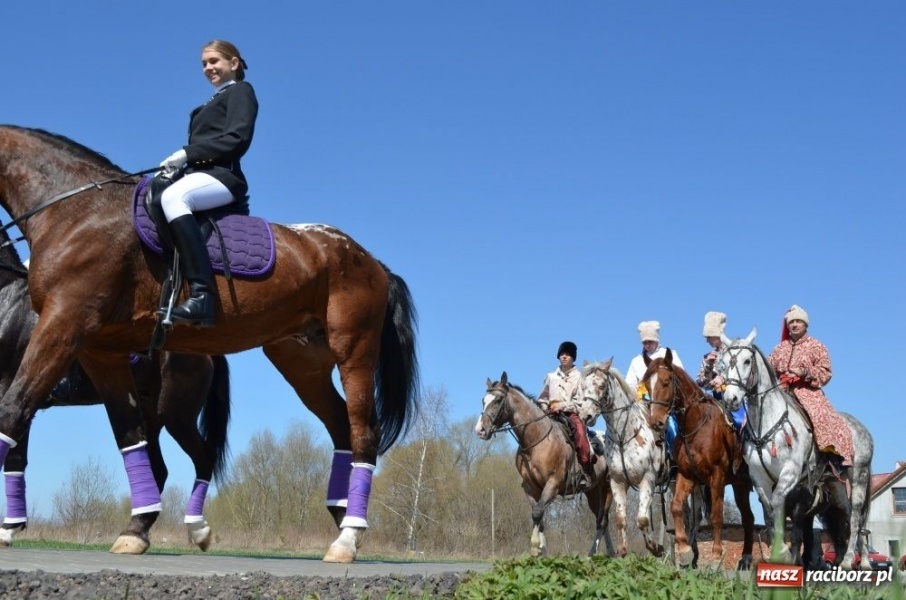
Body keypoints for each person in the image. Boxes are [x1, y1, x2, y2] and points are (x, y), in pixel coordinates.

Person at [157, 39, 259, 327]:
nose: (208, 68)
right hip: (198, 176)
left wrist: (188, 153)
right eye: (204, 64)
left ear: (233, 63)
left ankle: (202, 296)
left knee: (174, 199)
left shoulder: (241, 91)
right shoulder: (209, 103)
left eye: (214, 61)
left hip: (223, 177)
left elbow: (237, 139)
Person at [768, 305, 854, 475]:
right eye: (791, 322)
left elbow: (826, 372)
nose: (794, 324)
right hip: (782, 390)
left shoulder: (816, 346)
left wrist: (805, 372)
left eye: (798, 321)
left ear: (805, 325)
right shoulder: (779, 349)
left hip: (807, 391)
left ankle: (832, 457)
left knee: (821, 415)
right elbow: (769, 369)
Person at [538, 341, 593, 484]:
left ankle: (584, 471)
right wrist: (544, 408)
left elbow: (580, 402)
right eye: (562, 354)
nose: (564, 357)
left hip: (570, 414)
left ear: (573, 358)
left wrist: (562, 406)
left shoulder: (580, 377)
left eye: (568, 354)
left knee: (580, 434)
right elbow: (543, 398)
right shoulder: (551, 376)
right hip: (550, 414)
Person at [625, 320, 684, 390]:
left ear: (656, 341)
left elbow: (681, 375)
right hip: (643, 398)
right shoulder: (636, 361)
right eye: (644, 343)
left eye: (650, 342)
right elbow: (630, 384)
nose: (647, 345)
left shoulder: (669, 354)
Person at [696, 311, 727, 396]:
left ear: (717, 334)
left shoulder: (734, 352)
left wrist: (723, 379)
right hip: (717, 400)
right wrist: (708, 368)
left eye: (709, 337)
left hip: (737, 402)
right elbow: (700, 384)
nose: (707, 341)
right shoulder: (707, 357)